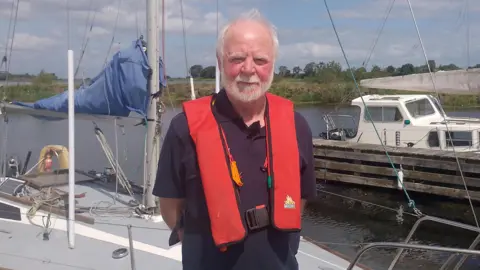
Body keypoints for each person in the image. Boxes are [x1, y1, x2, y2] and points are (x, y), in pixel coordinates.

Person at [153, 9, 316, 270]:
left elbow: (301, 200)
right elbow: (170, 209)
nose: (248, 69)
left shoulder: (297, 126)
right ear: (220, 62)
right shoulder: (183, 129)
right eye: (237, 58)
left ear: (272, 64)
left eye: (260, 60)